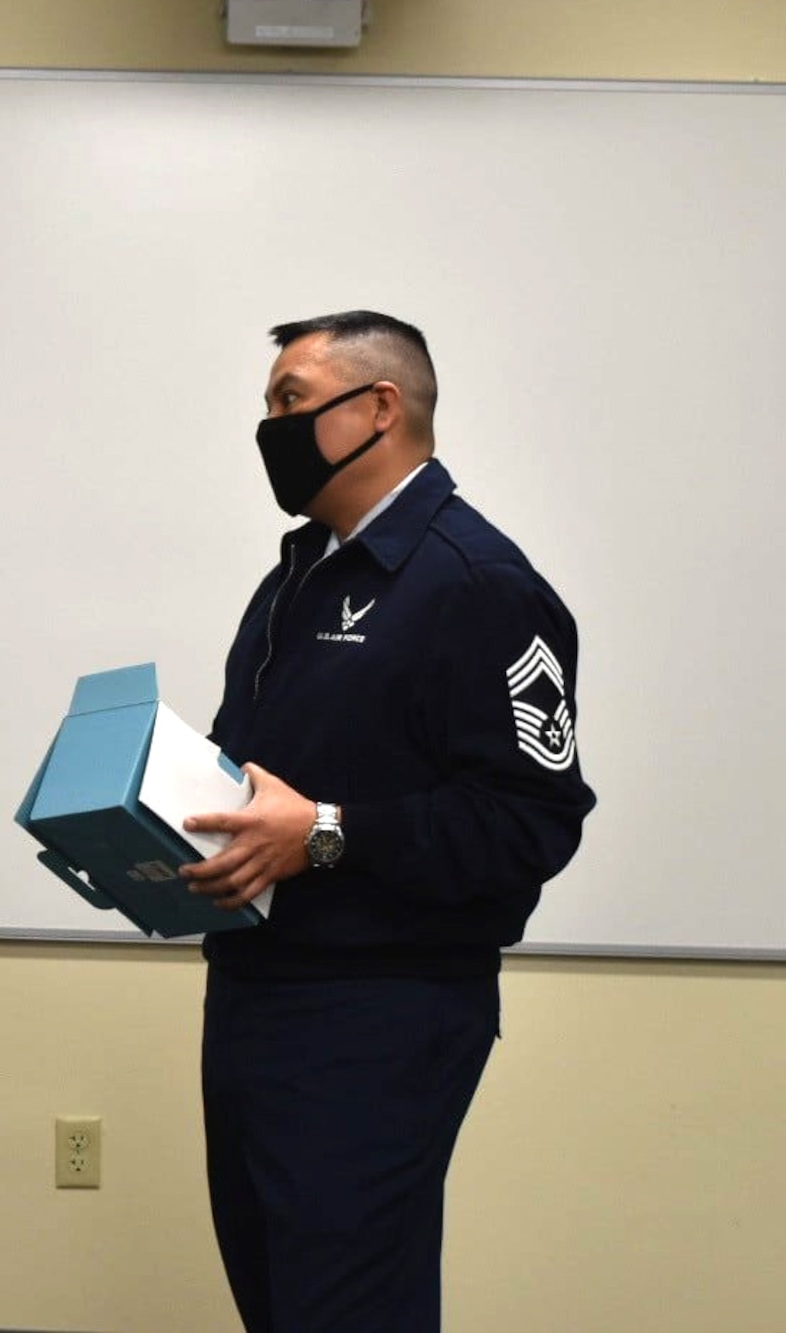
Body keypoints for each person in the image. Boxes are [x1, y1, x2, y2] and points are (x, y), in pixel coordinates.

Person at [179, 312, 595, 1332]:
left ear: (379, 407)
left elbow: (529, 820)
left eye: (289, 399)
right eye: (266, 401)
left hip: (378, 1011)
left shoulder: (476, 584)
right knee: (277, 1300)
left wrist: (326, 832)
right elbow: (267, 781)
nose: (267, 424)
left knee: (345, 1307)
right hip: (256, 994)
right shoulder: (295, 575)